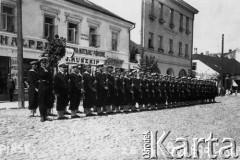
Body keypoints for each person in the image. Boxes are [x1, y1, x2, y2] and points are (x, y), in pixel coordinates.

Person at [37, 57, 52, 122]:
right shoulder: (39, 69)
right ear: (40, 63)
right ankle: (42, 116)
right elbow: (42, 75)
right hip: (42, 86)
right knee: (41, 102)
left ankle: (45, 115)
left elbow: (50, 77)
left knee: (46, 102)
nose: (44, 64)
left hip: (47, 86)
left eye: (45, 63)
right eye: (43, 63)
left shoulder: (47, 69)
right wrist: (47, 71)